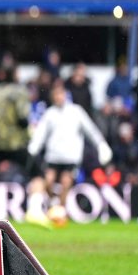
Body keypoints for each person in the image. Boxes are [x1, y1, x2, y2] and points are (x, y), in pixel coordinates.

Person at [27, 84, 113, 215]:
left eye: (60, 94)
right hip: (53, 156)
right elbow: (40, 133)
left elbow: (91, 130)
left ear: (65, 95)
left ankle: (60, 211)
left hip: (71, 156)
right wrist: (33, 147)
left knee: (66, 183)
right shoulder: (50, 113)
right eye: (56, 95)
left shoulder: (76, 112)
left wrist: (101, 144)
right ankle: (53, 203)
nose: (58, 97)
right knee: (48, 181)